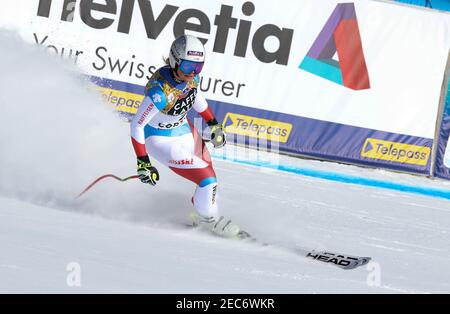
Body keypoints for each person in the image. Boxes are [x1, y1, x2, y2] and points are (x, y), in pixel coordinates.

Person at [130, 35, 241, 238]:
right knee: (208, 179)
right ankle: (209, 219)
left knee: (208, 171)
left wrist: (213, 124)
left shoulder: (190, 78)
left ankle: (201, 211)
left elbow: (195, 96)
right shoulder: (160, 92)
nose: (194, 72)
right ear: (175, 60)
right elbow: (137, 125)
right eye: (190, 66)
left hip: (184, 130)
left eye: (198, 67)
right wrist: (143, 162)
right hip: (160, 139)